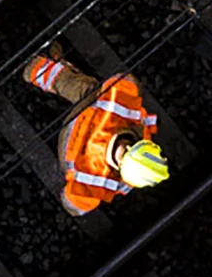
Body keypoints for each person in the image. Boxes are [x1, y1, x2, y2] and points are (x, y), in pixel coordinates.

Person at [25, 54, 170, 213]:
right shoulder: (105, 183)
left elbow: (124, 80)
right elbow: (72, 206)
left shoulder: (118, 109)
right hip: (66, 154)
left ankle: (37, 68)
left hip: (80, 119)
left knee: (89, 89)